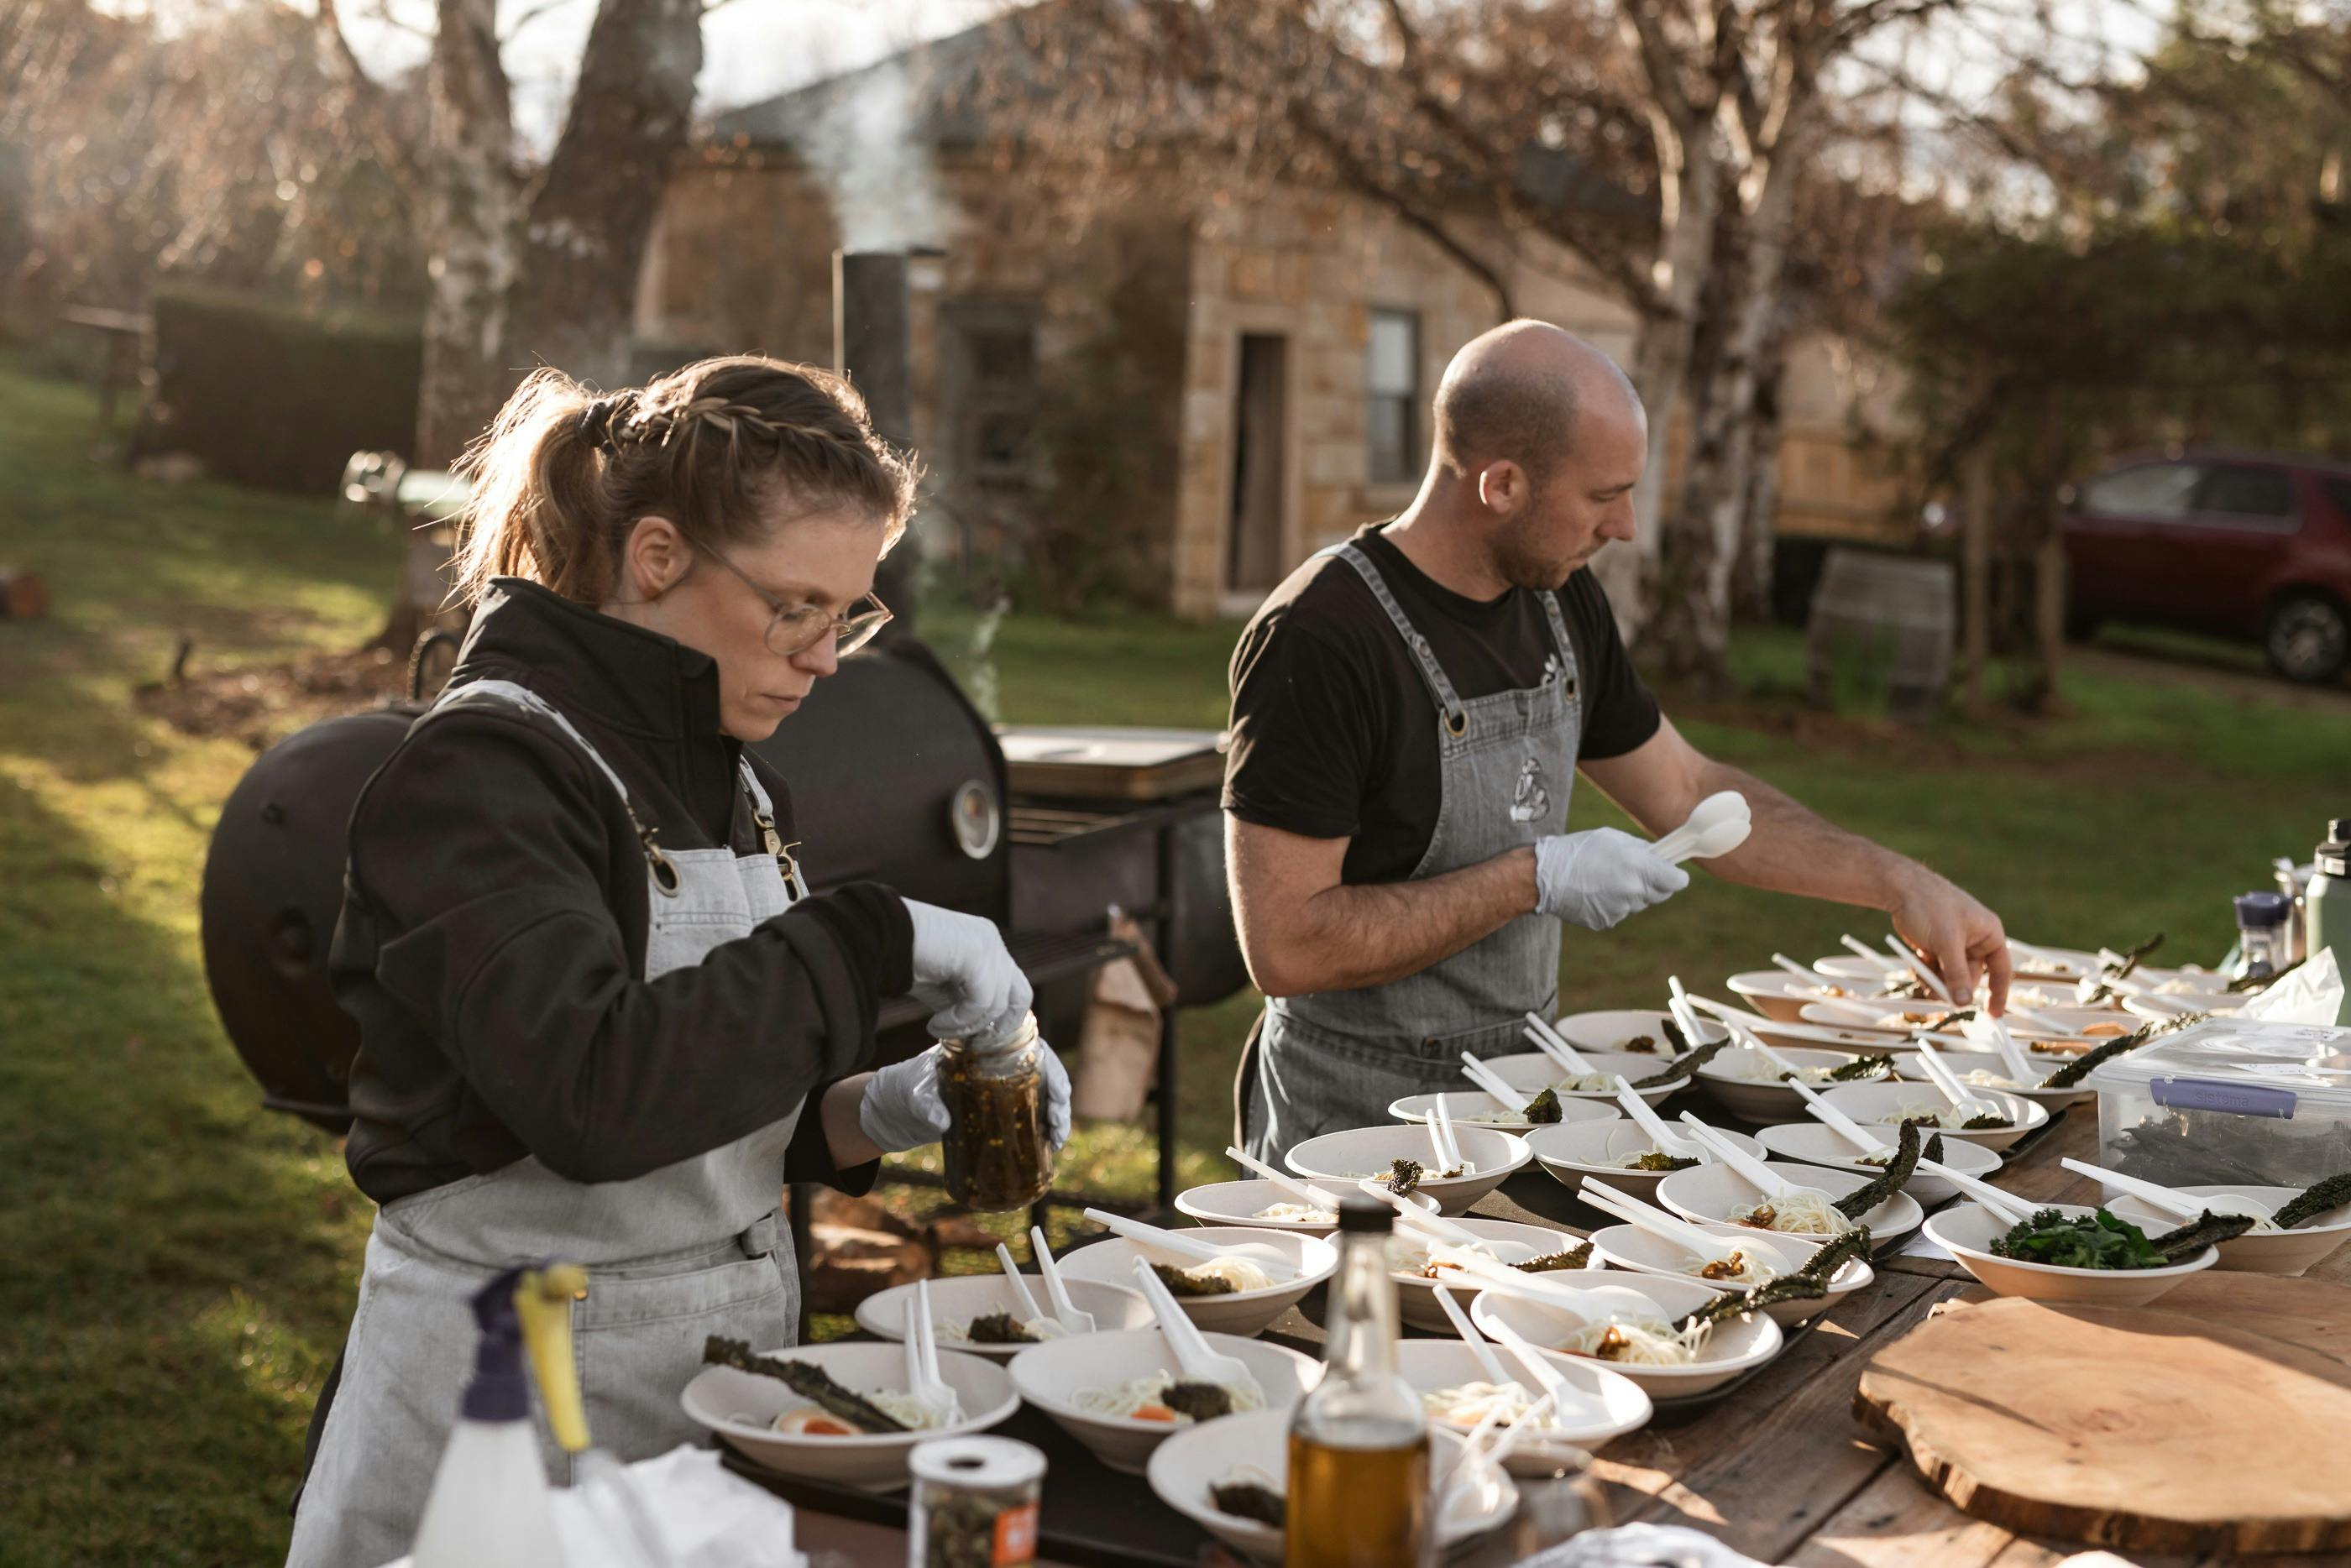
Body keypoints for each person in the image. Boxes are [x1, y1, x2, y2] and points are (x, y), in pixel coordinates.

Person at [286, 356, 1070, 1568]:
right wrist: (871, 938)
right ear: (658, 558)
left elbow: (710, 1101)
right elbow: (595, 1095)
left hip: (705, 1401)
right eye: (795, 606)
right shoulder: (483, 777)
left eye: (848, 615)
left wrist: (874, 1111)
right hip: (501, 1423)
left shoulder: (733, 773)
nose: (823, 655)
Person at [1224, 321, 2008, 1163]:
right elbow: (1286, 943)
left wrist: (1896, 881)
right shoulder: (1322, 637)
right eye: (1603, 495)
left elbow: (1688, 790)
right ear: (1501, 485)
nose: (1626, 525)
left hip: (1524, 1104)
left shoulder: (1561, 603)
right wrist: (1533, 877)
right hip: (1354, 1135)